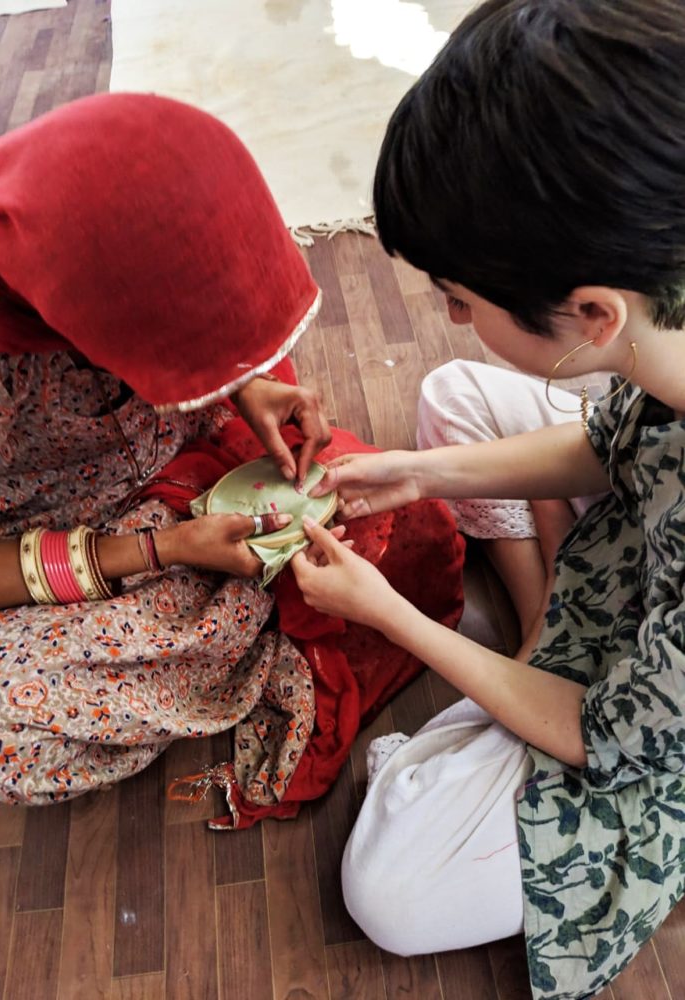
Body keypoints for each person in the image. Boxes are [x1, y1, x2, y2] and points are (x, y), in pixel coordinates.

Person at [291, 1, 685, 997]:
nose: (454, 314)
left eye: (458, 299)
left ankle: (534, 670)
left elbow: (608, 731)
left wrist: (384, 613)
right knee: (454, 399)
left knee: (393, 891)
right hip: (646, 562)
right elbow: (616, 441)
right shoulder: (660, 324)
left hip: (648, 720)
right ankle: (543, 623)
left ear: (593, 315)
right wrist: (423, 472)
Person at [0, 92, 465, 821]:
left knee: (413, 522)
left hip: (163, 459)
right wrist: (162, 548)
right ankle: (247, 618)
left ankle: (234, 612)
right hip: (26, 540)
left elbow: (174, 288)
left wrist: (244, 385)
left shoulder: (97, 213)